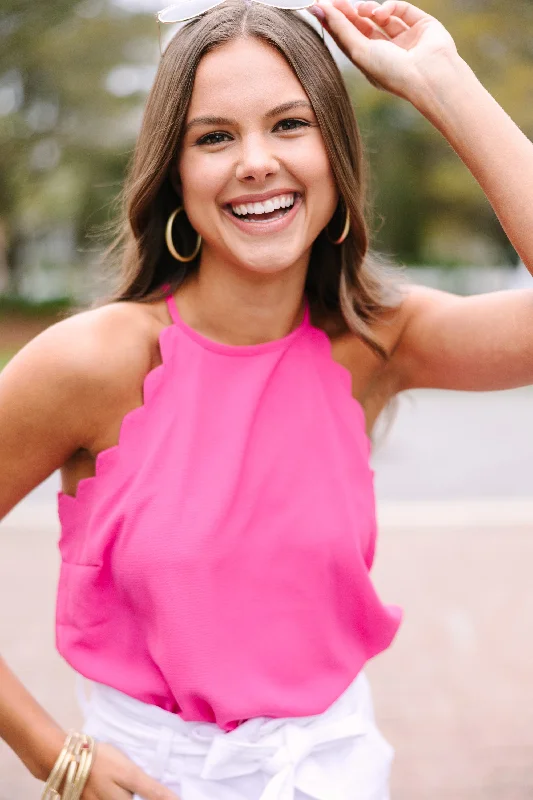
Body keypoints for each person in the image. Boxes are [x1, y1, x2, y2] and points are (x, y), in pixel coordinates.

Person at [0, 0, 532, 797]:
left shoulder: (381, 340)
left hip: (335, 772)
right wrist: (52, 753)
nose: (255, 161)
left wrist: (440, 81)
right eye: (214, 137)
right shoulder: (93, 361)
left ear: (336, 151)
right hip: (144, 780)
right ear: (174, 173)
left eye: (290, 124)